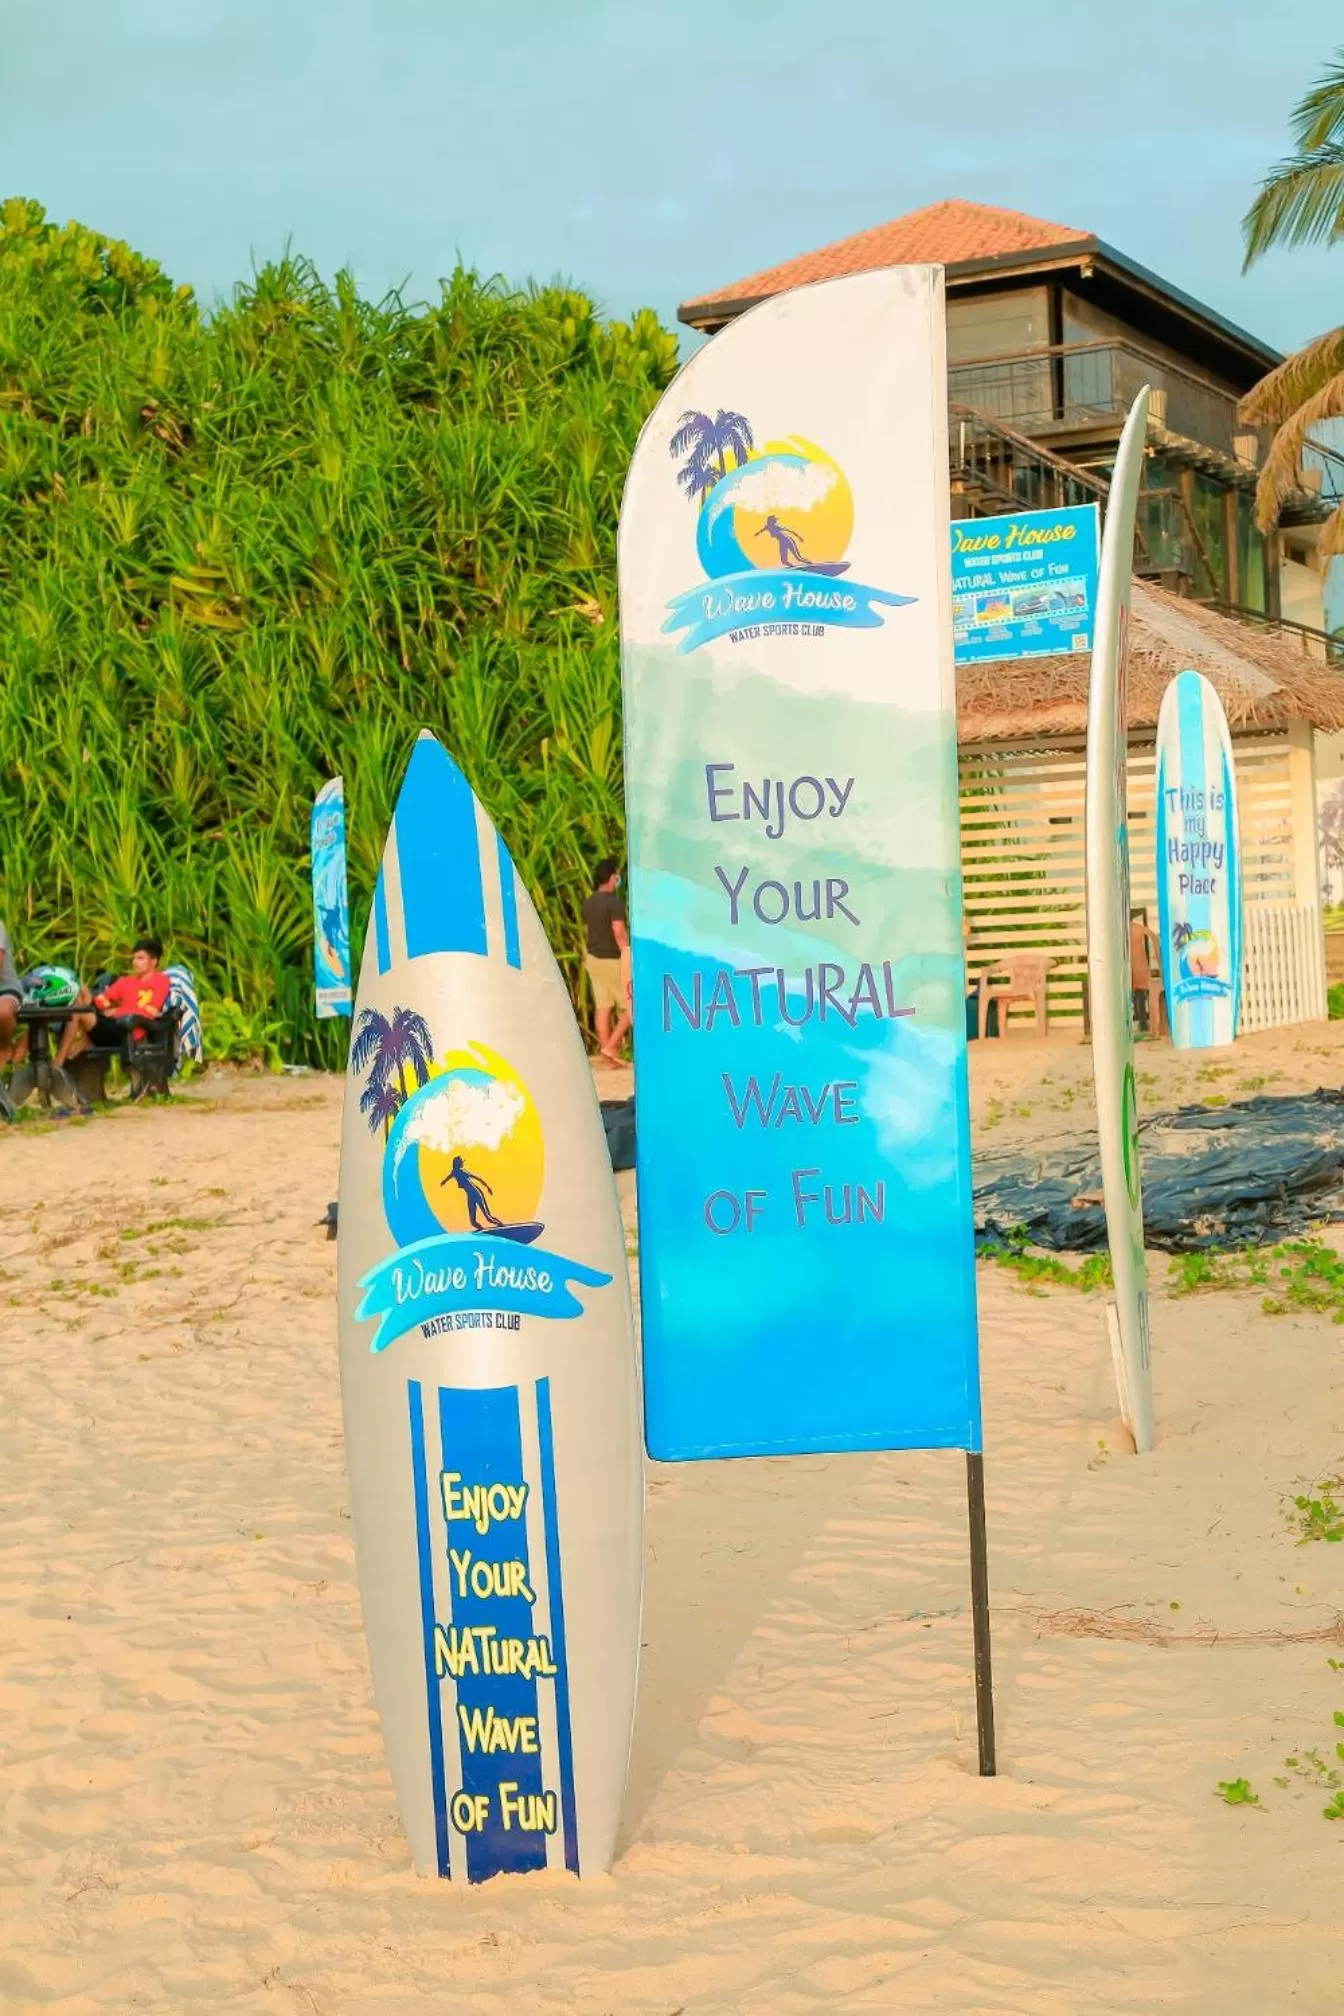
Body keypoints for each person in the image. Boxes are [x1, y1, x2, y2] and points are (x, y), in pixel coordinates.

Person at [582, 859, 631, 1068]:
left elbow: (587, 930)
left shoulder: (588, 902)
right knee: (632, 1006)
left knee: (603, 1007)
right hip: (612, 959)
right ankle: (610, 1047)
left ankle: (607, 1058)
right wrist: (627, 953)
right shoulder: (614, 903)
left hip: (593, 959)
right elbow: (618, 931)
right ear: (612, 877)